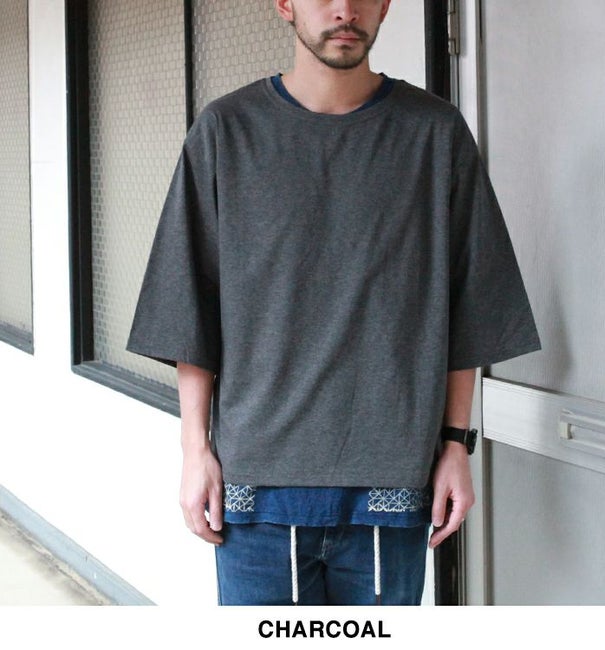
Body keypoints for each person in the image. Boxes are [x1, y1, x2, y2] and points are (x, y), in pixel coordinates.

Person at [127, 0, 540, 606]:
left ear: (385, 5)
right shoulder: (226, 132)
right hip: (257, 487)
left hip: (392, 482)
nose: (345, 10)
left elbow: (471, 303)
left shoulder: (434, 133)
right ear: (285, 4)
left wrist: (456, 442)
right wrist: (195, 451)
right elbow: (189, 304)